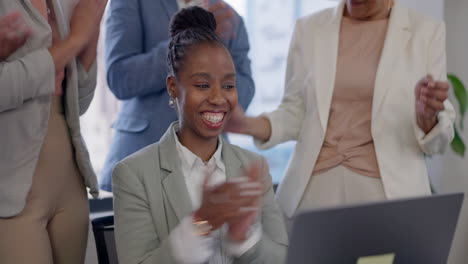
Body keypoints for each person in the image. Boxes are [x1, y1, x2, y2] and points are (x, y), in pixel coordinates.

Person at [226, 0, 456, 225]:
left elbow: (438, 141)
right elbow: (294, 112)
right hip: (313, 193)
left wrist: (427, 118)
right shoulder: (309, 29)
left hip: (388, 196)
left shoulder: (426, 31)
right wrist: (246, 124)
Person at [112, 6, 288, 264]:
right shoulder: (133, 175)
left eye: (228, 85)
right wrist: (200, 224)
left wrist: (243, 237)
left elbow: (285, 258)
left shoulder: (254, 167)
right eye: (203, 85)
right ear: (173, 87)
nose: (218, 98)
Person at [101, 0, 255, 192]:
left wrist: (215, 61)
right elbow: (120, 79)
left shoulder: (228, 17)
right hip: (140, 165)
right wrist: (188, 42)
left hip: (209, 174)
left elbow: (243, 96)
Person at [0, 0, 106, 263]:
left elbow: (78, 104)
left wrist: (91, 35)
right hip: (13, 195)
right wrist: (73, 41)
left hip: (71, 187)